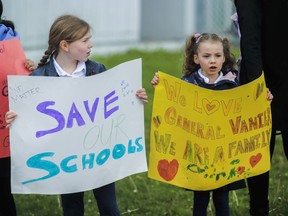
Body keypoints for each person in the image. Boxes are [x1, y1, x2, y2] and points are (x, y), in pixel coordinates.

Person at [5, 14, 148, 216]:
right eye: (85, 40)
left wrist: (134, 98)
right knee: (72, 209)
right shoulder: (39, 78)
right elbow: (31, 118)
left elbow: (115, 102)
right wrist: (16, 120)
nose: (91, 44)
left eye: (90, 39)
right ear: (65, 45)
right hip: (66, 160)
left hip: (99, 155)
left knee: (109, 207)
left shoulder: (97, 70)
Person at [151, 33, 273, 216]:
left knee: (222, 200)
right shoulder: (188, 83)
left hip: (223, 154)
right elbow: (176, 105)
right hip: (199, 155)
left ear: (224, 57)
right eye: (206, 56)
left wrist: (263, 100)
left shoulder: (233, 81)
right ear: (196, 58)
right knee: (200, 200)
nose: (212, 61)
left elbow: (245, 106)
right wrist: (160, 87)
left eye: (217, 55)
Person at [235, 1, 288, 215]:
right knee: (258, 147)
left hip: (264, 77)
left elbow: (250, 38)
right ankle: (259, 208)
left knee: (259, 146)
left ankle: (259, 208)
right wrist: (259, 84)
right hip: (262, 80)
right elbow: (251, 39)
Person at [0, 1, 36, 215]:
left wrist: (28, 67)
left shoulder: (9, 37)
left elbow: (20, 78)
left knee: (3, 185)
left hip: (5, 127)